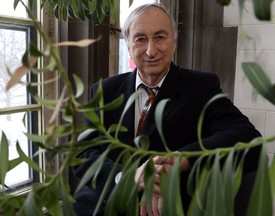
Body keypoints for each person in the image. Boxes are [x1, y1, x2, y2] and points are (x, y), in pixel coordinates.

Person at [73, 3, 261, 216]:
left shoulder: (200, 87)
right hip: (105, 204)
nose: (151, 50)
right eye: (140, 39)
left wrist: (181, 160)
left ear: (173, 42)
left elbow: (248, 138)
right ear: (128, 46)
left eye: (160, 37)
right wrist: (127, 178)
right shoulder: (105, 91)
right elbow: (82, 155)